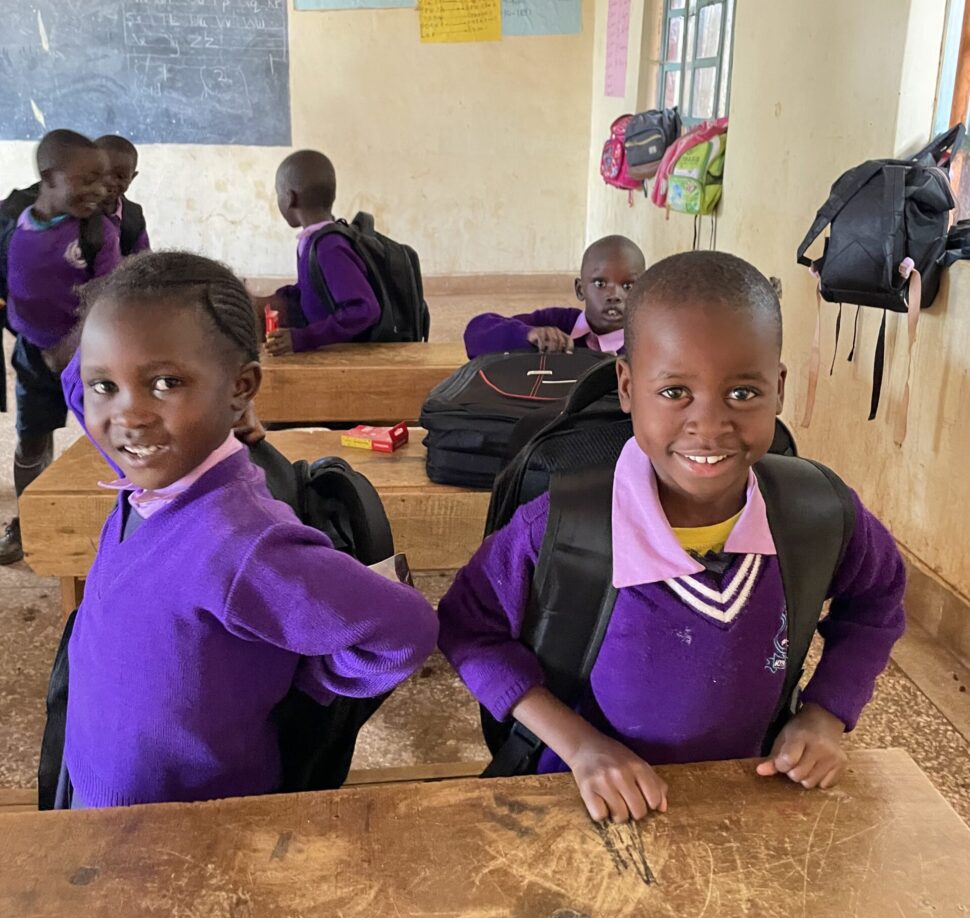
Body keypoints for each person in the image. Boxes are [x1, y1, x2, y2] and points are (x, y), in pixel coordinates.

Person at [439, 251, 906, 823]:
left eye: (742, 393)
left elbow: (878, 601)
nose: (709, 424)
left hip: (748, 801)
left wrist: (826, 713)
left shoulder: (816, 514)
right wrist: (580, 746)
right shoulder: (563, 527)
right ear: (628, 385)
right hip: (588, 805)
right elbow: (467, 628)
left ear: (779, 389)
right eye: (674, 391)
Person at [64, 251, 438, 808]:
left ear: (241, 387)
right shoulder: (145, 465)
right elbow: (78, 380)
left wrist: (301, 681)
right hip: (94, 798)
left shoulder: (243, 542)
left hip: (192, 824)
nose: (127, 415)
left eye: (165, 381)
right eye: (106, 386)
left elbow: (404, 628)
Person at [0, 129, 120, 565]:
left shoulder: (96, 232)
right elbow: (14, 292)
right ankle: (29, 524)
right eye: (87, 180)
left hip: (88, 354)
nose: (100, 191)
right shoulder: (12, 223)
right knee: (31, 439)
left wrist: (71, 346)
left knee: (112, 434)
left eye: (104, 180)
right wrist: (30, 339)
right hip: (33, 355)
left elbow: (109, 292)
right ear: (49, 178)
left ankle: (127, 519)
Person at [254, 150, 379, 355]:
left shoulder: (329, 247)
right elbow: (314, 287)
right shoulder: (312, 240)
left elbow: (365, 309)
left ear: (290, 198)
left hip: (345, 356)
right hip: (327, 346)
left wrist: (303, 338)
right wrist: (280, 297)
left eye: (278, 193)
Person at [462, 235, 645, 358]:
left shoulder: (647, 342)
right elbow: (476, 332)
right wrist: (527, 335)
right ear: (580, 290)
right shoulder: (557, 323)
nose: (614, 295)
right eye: (600, 284)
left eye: (628, 286)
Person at [94, 134, 150, 256]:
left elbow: (144, 262)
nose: (110, 182)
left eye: (120, 176)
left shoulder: (133, 216)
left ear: (132, 178)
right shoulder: (74, 210)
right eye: (101, 173)